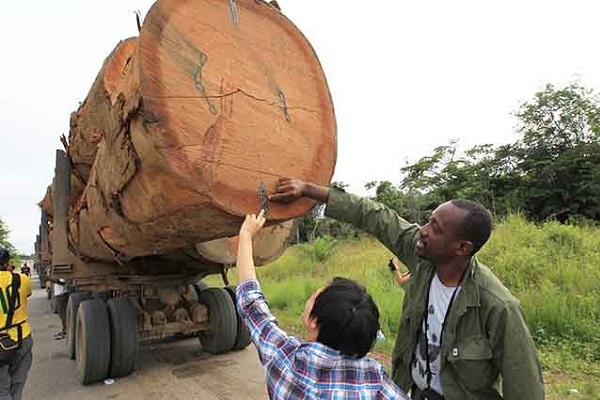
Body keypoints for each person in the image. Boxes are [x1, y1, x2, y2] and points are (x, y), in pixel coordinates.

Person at [269, 178, 545, 400]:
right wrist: (308, 189)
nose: (422, 230)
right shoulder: (422, 257)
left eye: (435, 229)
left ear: (462, 248)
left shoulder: (497, 306)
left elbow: (525, 386)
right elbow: (375, 216)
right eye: (428, 220)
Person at [235, 210, 409, 400]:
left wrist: (245, 235)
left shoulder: (287, 359)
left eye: (315, 295)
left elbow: (252, 303)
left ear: (314, 321)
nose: (310, 298)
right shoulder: (373, 376)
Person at [0, 246, 32, 400]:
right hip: (22, 338)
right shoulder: (21, 280)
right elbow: (28, 293)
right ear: (7, 263)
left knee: (2, 390)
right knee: (18, 384)